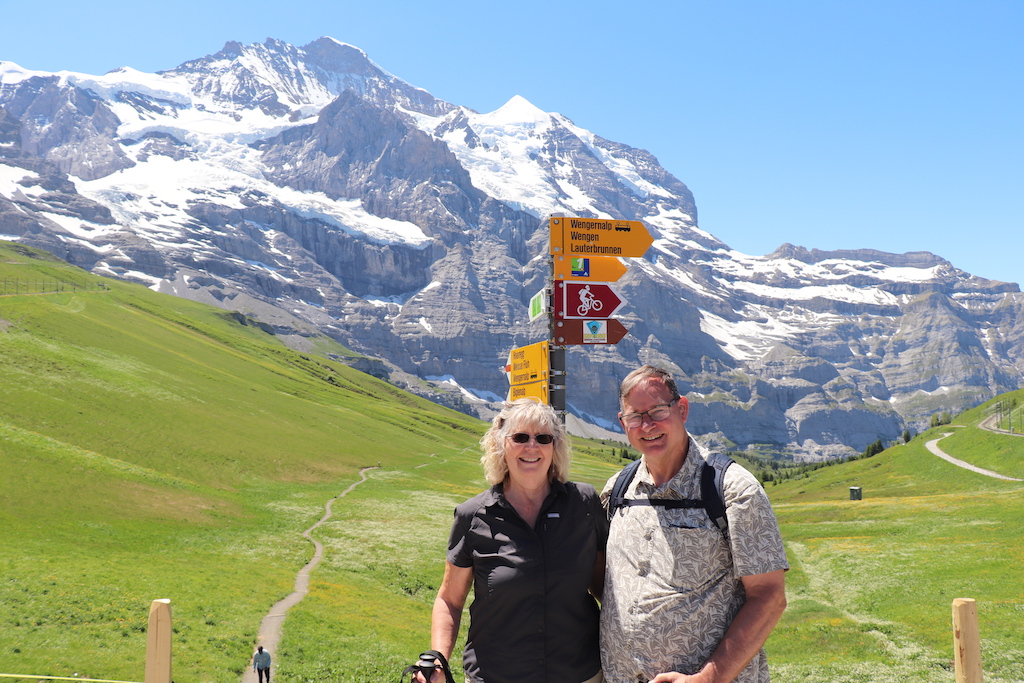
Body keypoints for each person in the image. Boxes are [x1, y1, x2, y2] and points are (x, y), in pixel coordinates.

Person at [600, 365, 789, 683]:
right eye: (635, 416)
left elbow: (770, 596)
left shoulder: (732, 489)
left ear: (682, 409)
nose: (647, 425)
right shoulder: (617, 489)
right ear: (623, 423)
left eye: (657, 410)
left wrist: (709, 678)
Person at [423, 398, 608, 683]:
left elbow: (606, 590)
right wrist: (437, 659)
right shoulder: (472, 516)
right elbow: (449, 600)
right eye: (520, 437)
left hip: (578, 673)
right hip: (496, 674)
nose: (531, 447)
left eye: (543, 438)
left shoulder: (584, 503)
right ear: (501, 444)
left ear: (554, 447)